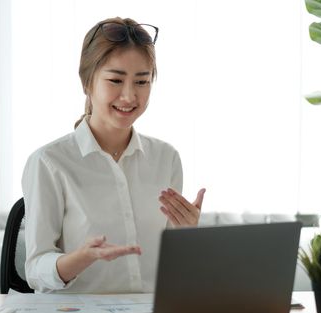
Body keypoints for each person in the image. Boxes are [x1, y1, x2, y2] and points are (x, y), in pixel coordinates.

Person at [22, 17, 206, 293]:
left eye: (142, 81)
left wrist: (187, 236)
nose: (130, 96)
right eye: (115, 80)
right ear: (87, 82)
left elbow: (175, 268)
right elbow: (35, 270)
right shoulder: (49, 162)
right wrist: (79, 259)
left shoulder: (166, 158)